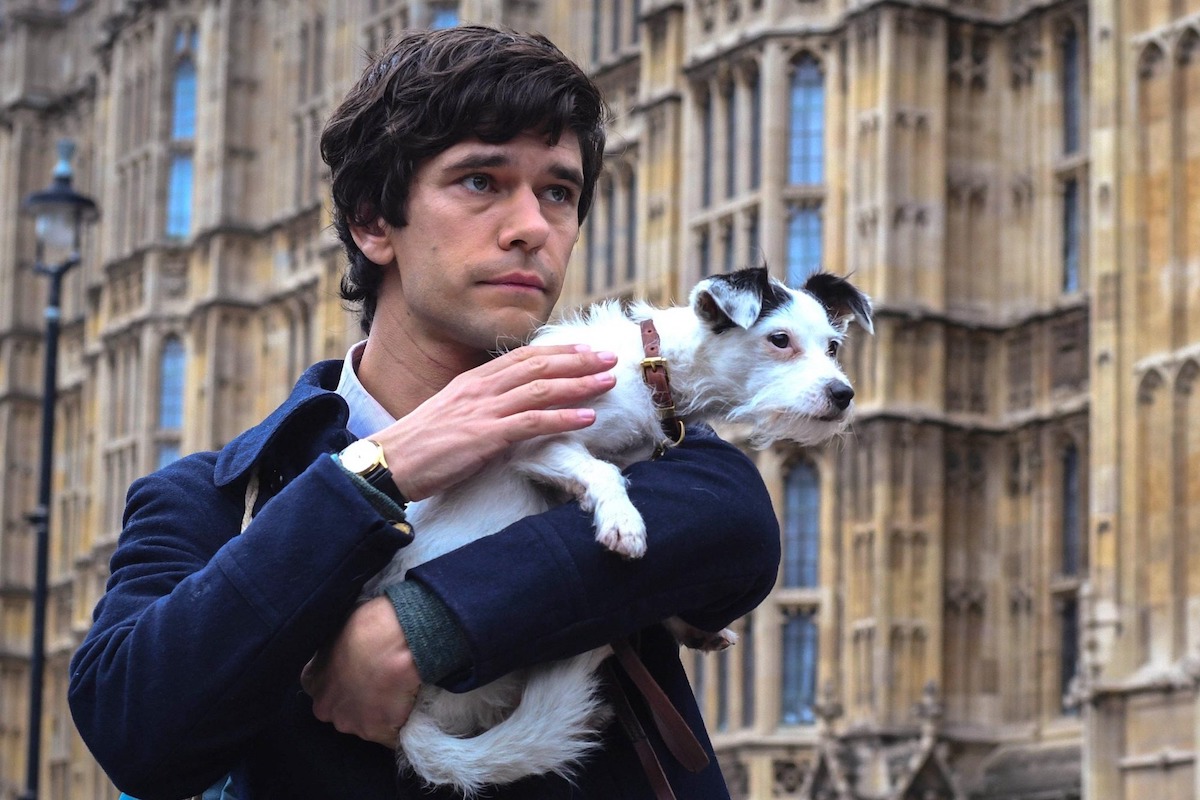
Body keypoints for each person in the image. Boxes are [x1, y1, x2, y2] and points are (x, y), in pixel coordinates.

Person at [69, 25, 780, 800]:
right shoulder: (211, 500)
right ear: (375, 223)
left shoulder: (614, 428)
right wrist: (378, 473)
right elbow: (134, 727)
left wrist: (422, 621)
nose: (532, 228)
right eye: (481, 181)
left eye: (559, 192)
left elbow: (738, 522)